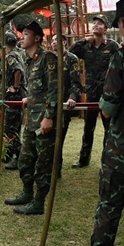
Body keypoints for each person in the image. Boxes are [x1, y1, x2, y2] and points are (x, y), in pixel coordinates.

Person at [72, 0, 124, 246]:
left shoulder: (120, 55)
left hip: (120, 149)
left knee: (109, 205)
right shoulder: (90, 46)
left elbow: (108, 107)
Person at [3, 20, 58, 215]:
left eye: (26, 34)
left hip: (44, 120)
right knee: (25, 160)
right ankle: (27, 193)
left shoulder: (48, 58)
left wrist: (49, 117)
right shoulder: (28, 60)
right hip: (32, 118)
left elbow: (55, 89)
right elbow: (39, 88)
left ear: (36, 38)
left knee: (42, 164)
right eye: (22, 33)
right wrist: (30, 98)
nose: (22, 37)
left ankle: (38, 202)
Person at [70, 15, 120, 168]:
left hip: (107, 93)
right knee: (88, 127)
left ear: (105, 29)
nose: (96, 25)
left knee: (108, 128)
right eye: (95, 23)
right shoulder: (86, 47)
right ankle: (83, 160)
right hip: (91, 93)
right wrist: (85, 40)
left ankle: (107, 159)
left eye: (100, 23)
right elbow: (70, 54)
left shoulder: (112, 46)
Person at [0, 31, 26, 170]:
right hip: (10, 99)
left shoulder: (11, 56)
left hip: (13, 99)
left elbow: (18, 70)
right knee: (11, 128)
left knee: (11, 129)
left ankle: (18, 157)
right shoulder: (18, 52)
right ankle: (10, 153)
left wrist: (15, 87)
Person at [51, 33, 82, 178]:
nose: (54, 43)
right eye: (52, 40)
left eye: (57, 40)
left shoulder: (71, 59)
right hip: (50, 104)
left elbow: (76, 83)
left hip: (64, 105)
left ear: (64, 42)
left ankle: (56, 169)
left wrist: (72, 97)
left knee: (59, 137)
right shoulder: (49, 58)